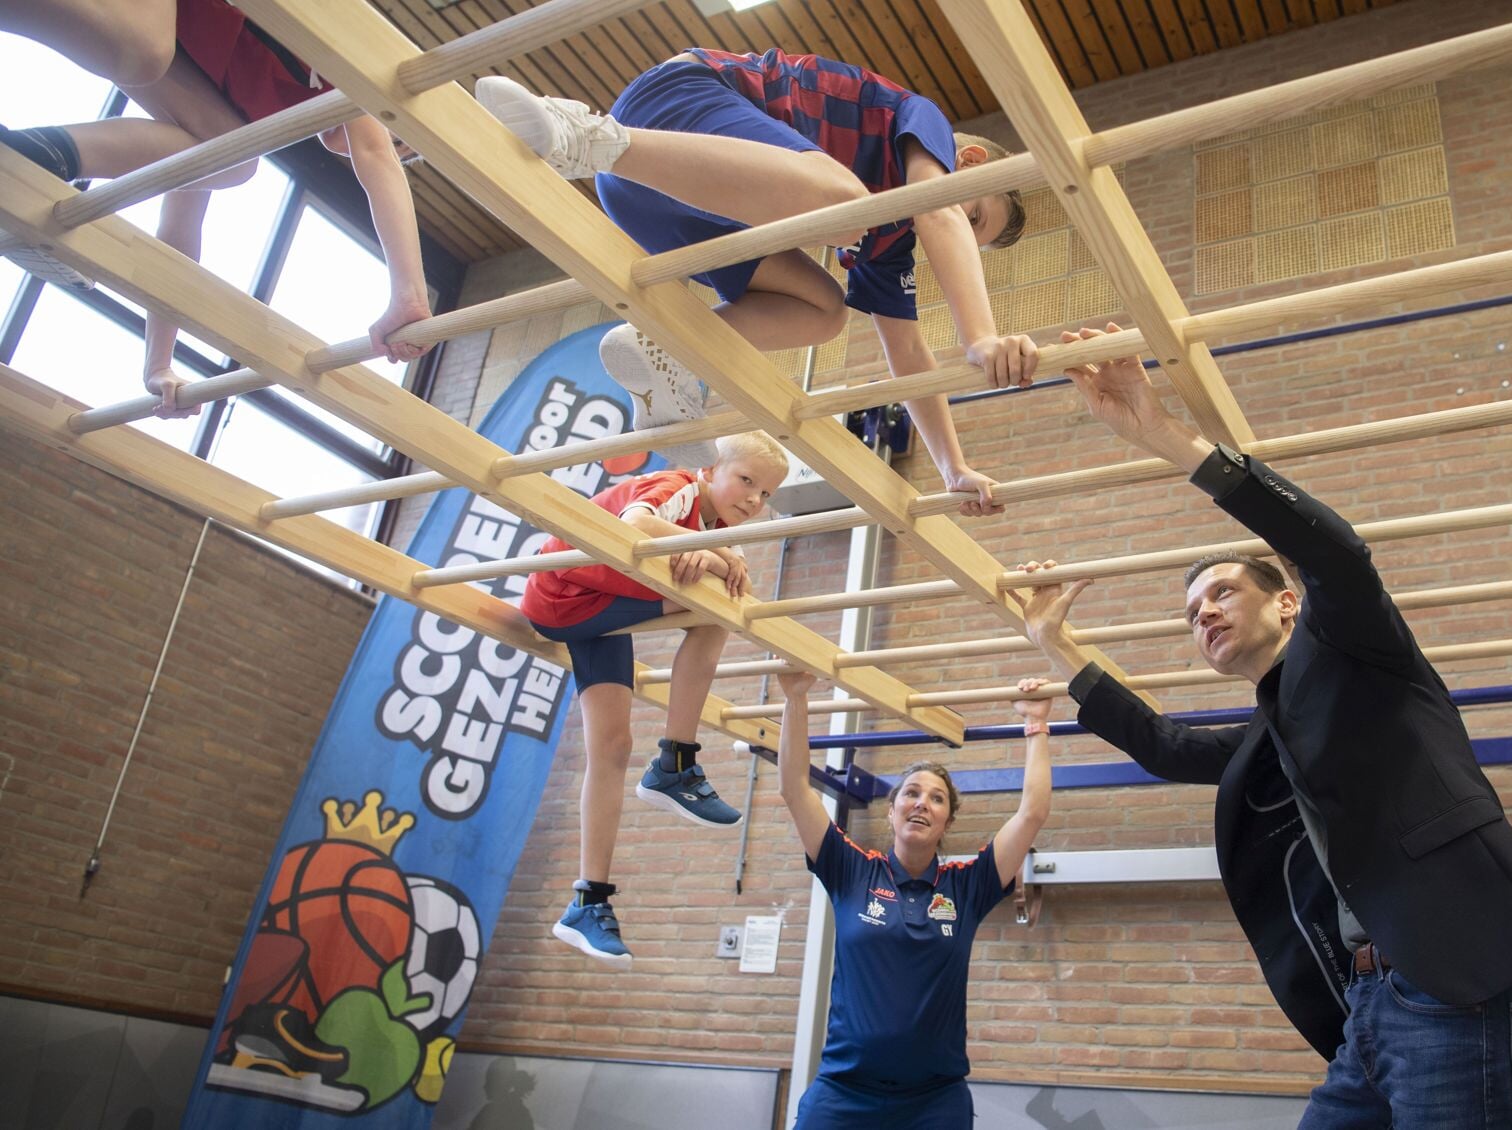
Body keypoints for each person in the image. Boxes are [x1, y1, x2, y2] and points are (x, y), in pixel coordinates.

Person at [1020, 324, 1512, 1127]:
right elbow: (1165, 745)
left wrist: (1165, 437)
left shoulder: (1353, 650)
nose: (1203, 612)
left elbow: (1340, 557)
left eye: (1220, 592)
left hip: (1464, 985)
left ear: (1286, 601)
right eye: (1190, 612)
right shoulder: (1269, 730)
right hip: (1371, 1007)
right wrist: (1056, 644)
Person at [474, 47, 1038, 515]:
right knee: (847, 204)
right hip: (669, 111)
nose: (957, 232)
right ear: (967, 161)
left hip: (665, 202)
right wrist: (982, 337)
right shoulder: (921, 120)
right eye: (974, 219)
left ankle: (671, 347)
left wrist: (952, 468)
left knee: (825, 311)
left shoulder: (890, 239)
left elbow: (909, 353)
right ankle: (581, 131)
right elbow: (939, 210)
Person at [0, 0, 432, 416]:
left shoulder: (268, 109)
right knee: (143, 53)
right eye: (397, 137)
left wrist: (157, 365)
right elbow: (375, 157)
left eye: (403, 152)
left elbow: (178, 235)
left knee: (226, 160)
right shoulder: (346, 67)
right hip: (154, 31)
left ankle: (27, 158)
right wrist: (409, 294)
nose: (388, 145)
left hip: (165, 30)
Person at [523, 430, 789, 968]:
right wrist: (709, 556)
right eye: (746, 481)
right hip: (563, 594)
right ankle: (675, 761)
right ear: (711, 470)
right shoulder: (680, 487)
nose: (755, 500)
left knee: (612, 749)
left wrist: (714, 555)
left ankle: (587, 901)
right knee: (717, 611)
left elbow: (720, 563)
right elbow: (636, 526)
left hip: (598, 616)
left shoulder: (717, 531)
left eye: (766, 494)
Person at [776, 669, 1054, 1129]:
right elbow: (793, 788)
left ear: (947, 822)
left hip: (933, 1102)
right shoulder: (851, 870)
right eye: (912, 793)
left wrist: (1036, 725)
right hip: (844, 1093)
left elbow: (1033, 811)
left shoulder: (968, 885)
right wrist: (796, 698)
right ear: (892, 810)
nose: (923, 803)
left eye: (937, 798)